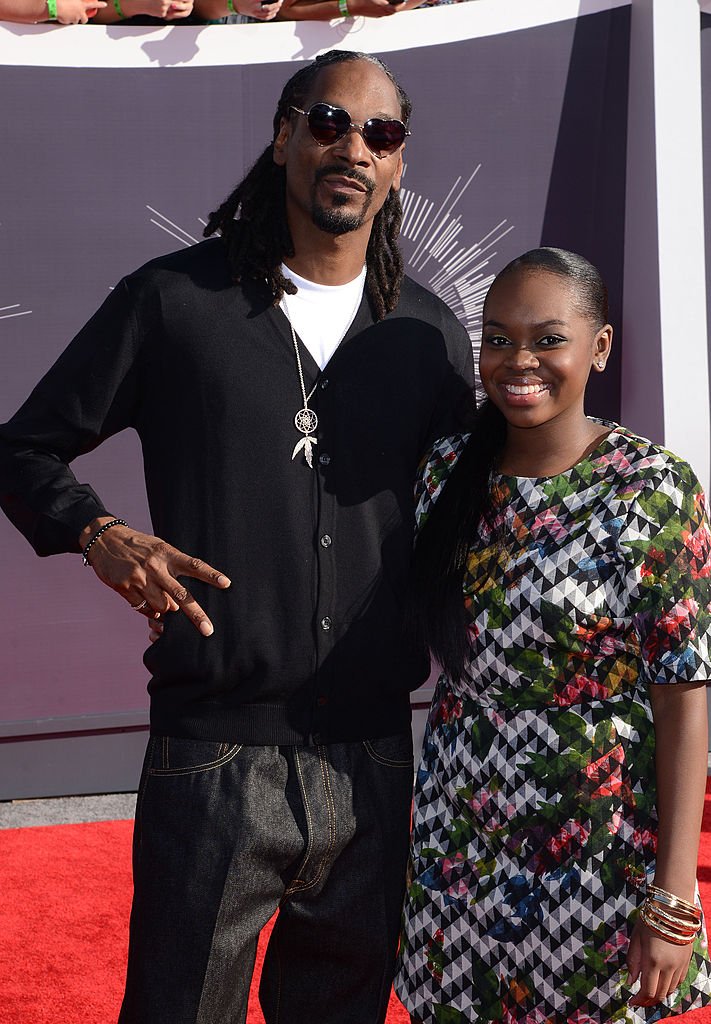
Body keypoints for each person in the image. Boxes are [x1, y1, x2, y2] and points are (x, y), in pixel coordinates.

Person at [0, 50, 473, 1024]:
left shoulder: (427, 336)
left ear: (399, 167)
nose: (352, 148)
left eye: (380, 135)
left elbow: (468, 525)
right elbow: (24, 449)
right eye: (329, 122)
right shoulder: (175, 303)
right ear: (283, 136)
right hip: (212, 757)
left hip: (374, 763)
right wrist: (97, 532)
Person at [395, 248, 711, 1024]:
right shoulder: (442, 472)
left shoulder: (652, 488)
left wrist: (673, 890)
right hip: (459, 819)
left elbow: (682, 699)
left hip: (595, 835)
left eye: (547, 339)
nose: (518, 361)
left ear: (598, 348)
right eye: (497, 339)